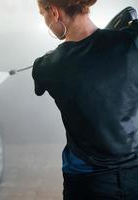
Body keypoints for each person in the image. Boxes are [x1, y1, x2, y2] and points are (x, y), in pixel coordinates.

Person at [32, 0, 138, 199]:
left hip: (87, 184)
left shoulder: (47, 68)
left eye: (42, 15)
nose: (45, 21)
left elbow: (41, 83)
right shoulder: (131, 42)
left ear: (54, 12)